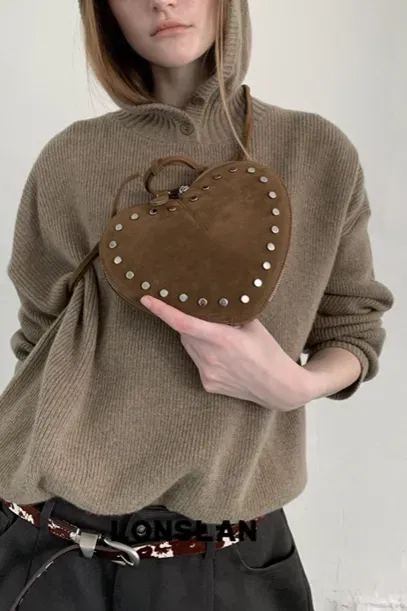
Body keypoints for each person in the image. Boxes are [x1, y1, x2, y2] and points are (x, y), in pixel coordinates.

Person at [0, 0, 394, 609]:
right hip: (54, 544)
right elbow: (37, 345)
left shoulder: (317, 152)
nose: (163, 1)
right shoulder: (69, 159)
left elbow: (353, 326)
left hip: (231, 553)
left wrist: (294, 386)